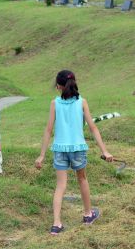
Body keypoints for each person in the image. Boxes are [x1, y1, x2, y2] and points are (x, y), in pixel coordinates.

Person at [35, 70, 114, 235]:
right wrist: (104, 151)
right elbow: (93, 127)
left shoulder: (54, 103)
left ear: (58, 86)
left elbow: (48, 130)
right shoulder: (82, 102)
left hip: (59, 149)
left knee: (60, 186)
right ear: (74, 83)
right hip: (78, 149)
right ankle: (88, 215)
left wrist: (42, 155)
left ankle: (56, 224)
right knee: (82, 180)